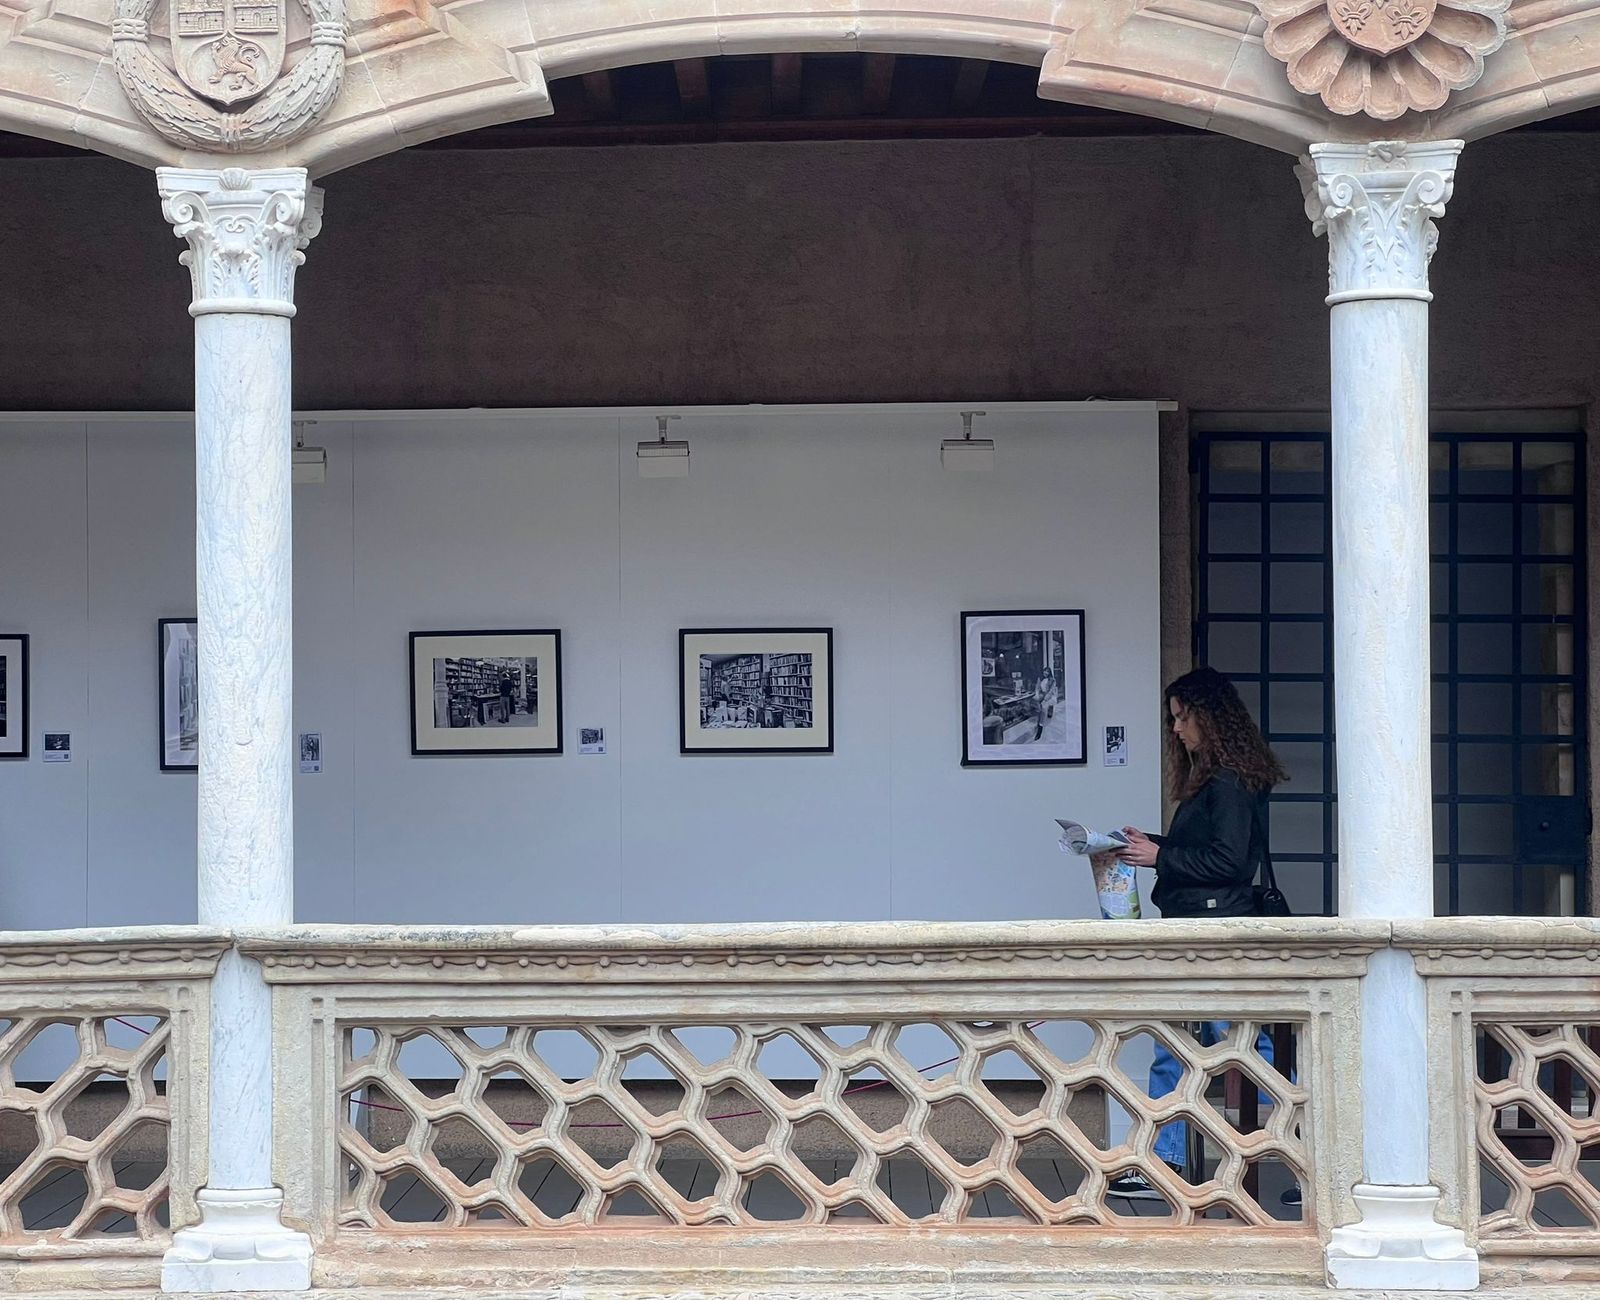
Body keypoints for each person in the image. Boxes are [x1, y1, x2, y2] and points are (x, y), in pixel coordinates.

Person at [1106, 666, 1290, 1202]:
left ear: (1208, 717)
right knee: (1198, 1044)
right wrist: (1152, 844)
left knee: (1232, 1045)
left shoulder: (1227, 781)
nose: (1177, 731)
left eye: (1182, 718)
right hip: (1202, 925)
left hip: (1210, 932)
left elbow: (1229, 862)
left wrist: (1160, 855)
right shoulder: (1224, 777)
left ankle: (1314, 1141)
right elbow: (1216, 853)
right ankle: (1169, 1160)